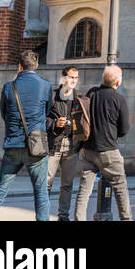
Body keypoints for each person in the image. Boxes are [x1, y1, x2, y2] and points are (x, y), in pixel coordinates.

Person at [0, 50, 53, 222]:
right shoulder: (45, 85)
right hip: (36, 147)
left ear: (19, 66)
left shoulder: (9, 87)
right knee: (41, 193)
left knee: (0, 191)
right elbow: (48, 111)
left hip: (13, 144)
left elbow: (4, 113)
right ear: (36, 66)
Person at [74, 65, 133, 221]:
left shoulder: (92, 93)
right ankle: (126, 219)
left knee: (84, 190)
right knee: (120, 188)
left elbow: (84, 117)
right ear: (118, 82)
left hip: (88, 150)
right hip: (108, 151)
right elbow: (125, 128)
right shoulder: (119, 99)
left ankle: (78, 218)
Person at [47, 65, 87, 222]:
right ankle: (43, 214)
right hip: (53, 145)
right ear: (63, 78)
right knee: (47, 184)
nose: (74, 80)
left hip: (72, 146)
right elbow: (41, 120)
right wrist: (55, 123)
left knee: (67, 184)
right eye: (71, 77)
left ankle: (63, 216)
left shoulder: (80, 98)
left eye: (76, 78)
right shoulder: (52, 96)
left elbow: (85, 121)